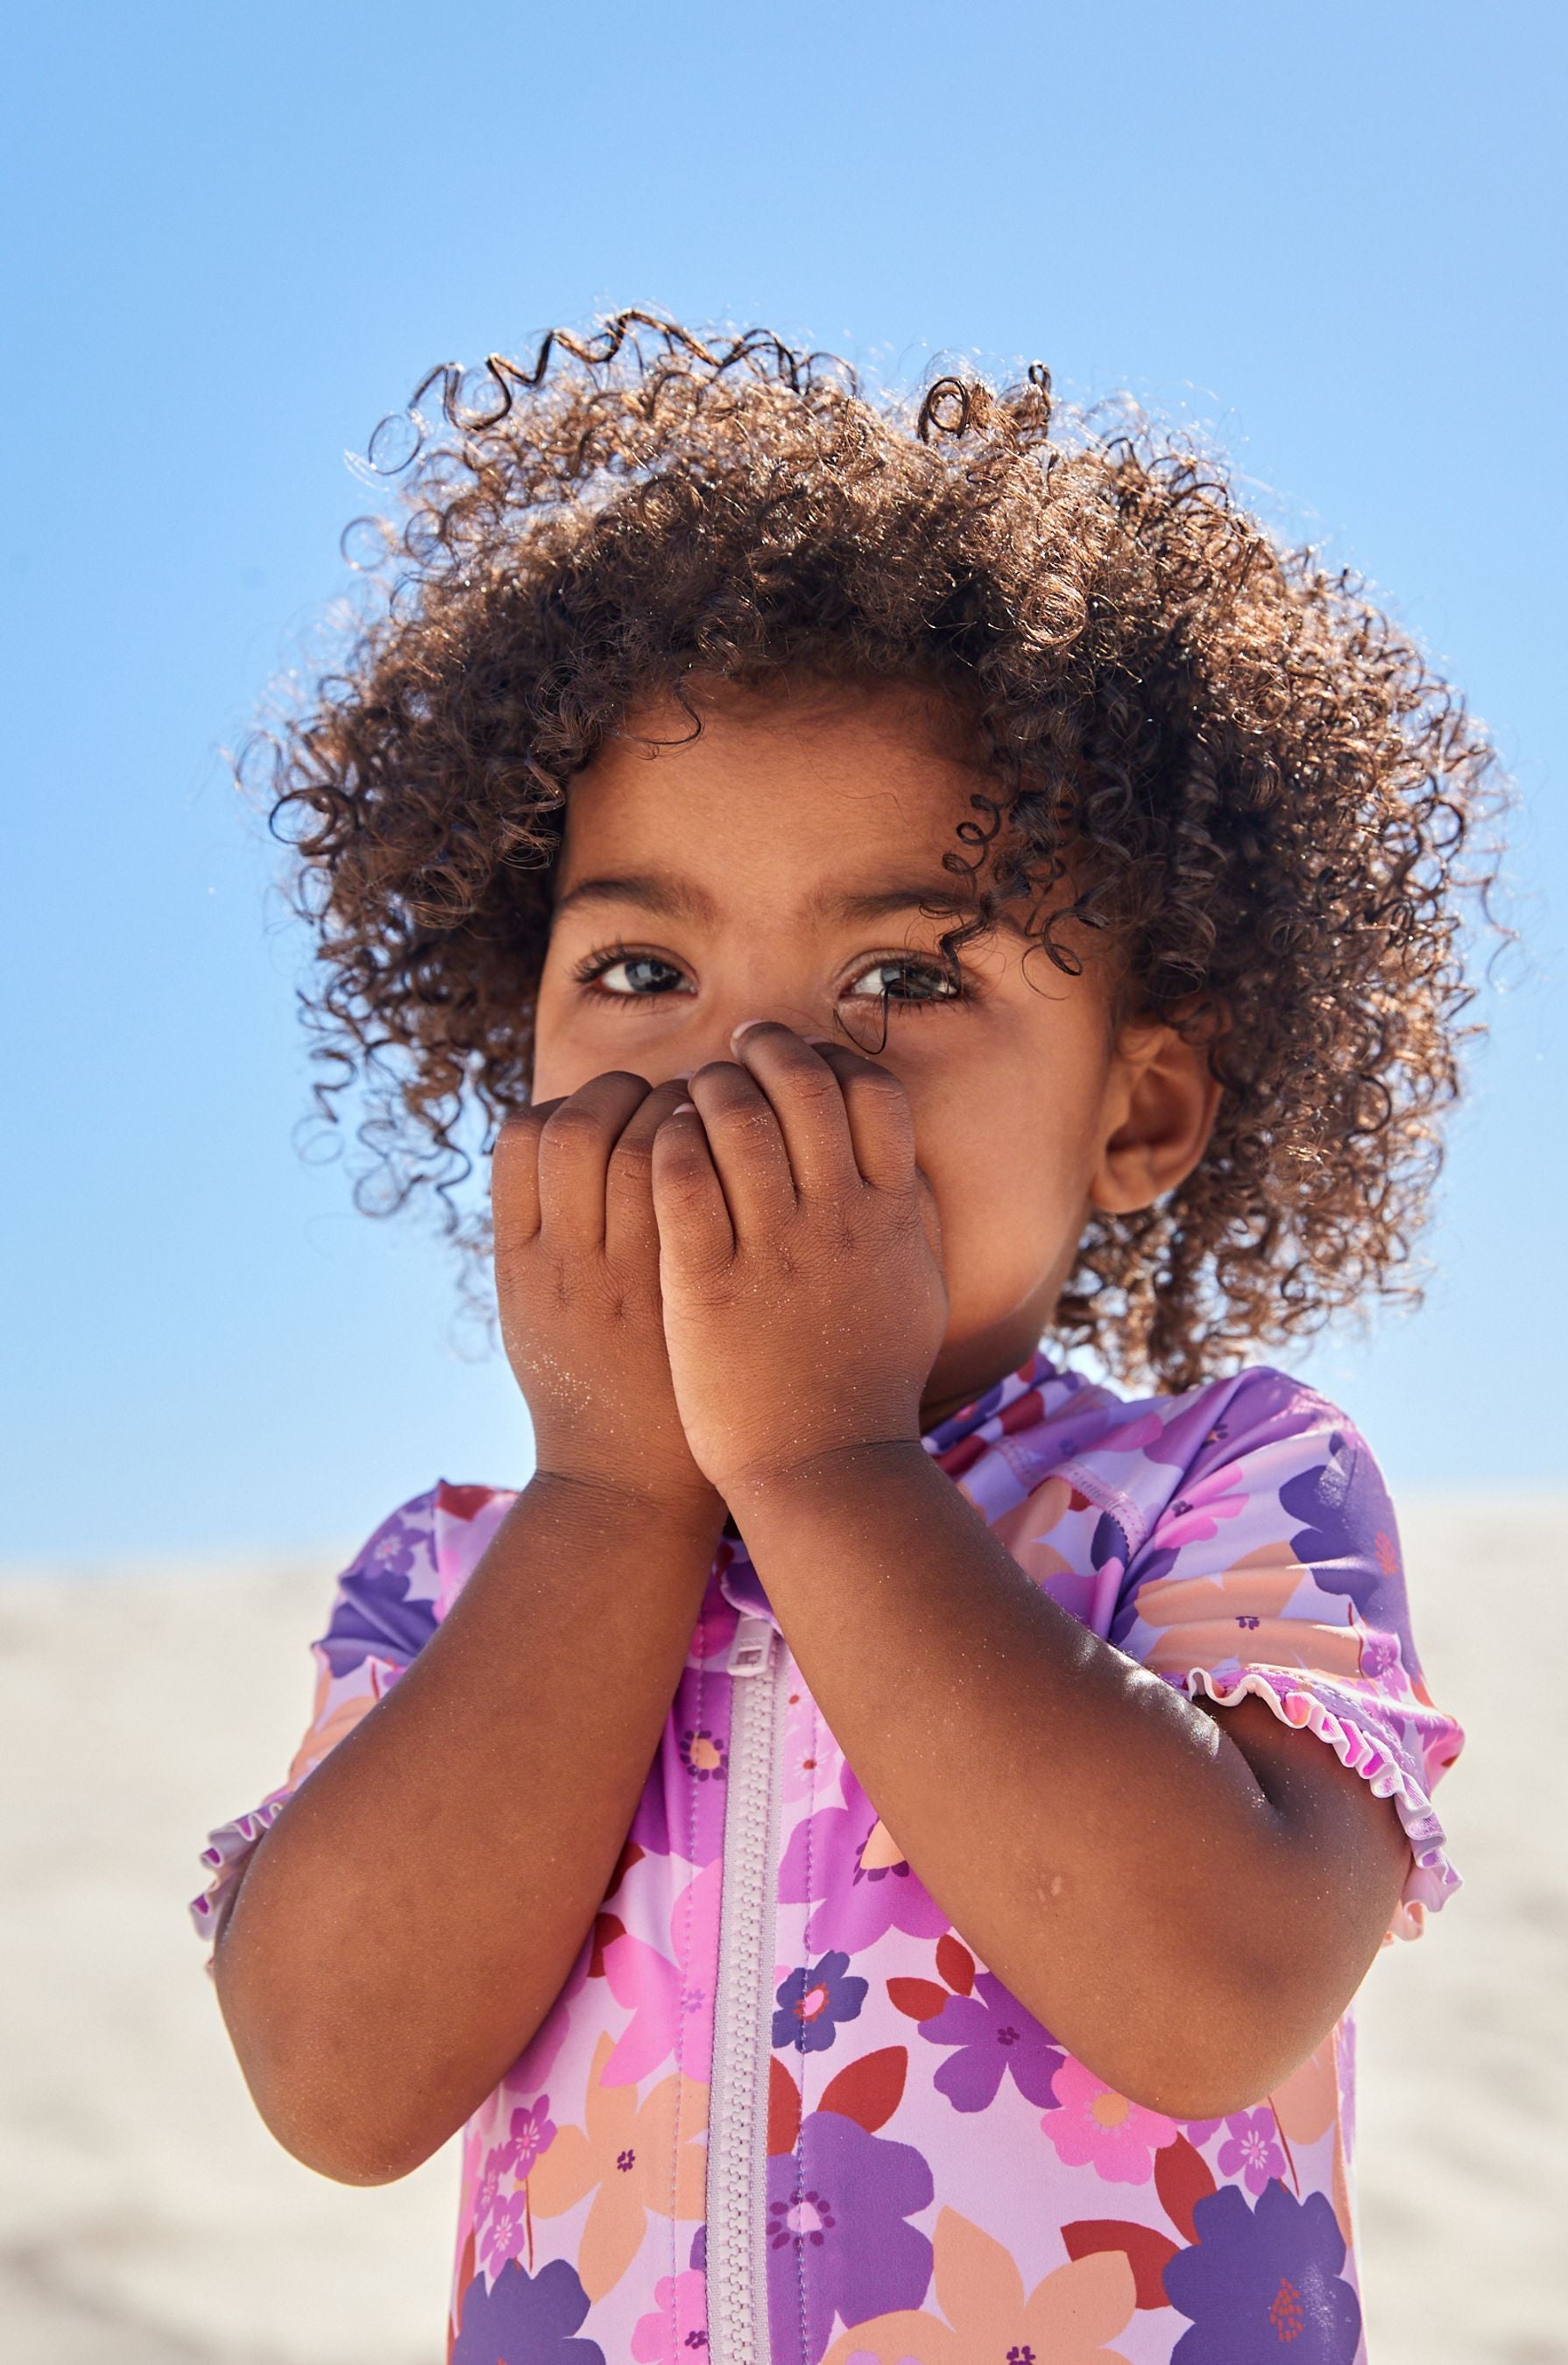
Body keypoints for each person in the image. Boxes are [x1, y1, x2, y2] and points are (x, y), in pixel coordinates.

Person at [192, 315, 1494, 2365]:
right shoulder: (451, 1575)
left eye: (900, 969)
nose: (751, 1066)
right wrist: (619, 1492)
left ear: (1135, 1114)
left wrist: (826, 1467)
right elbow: (333, 2081)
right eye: (642, 962)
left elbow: (1211, 1991)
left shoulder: (1229, 1491)